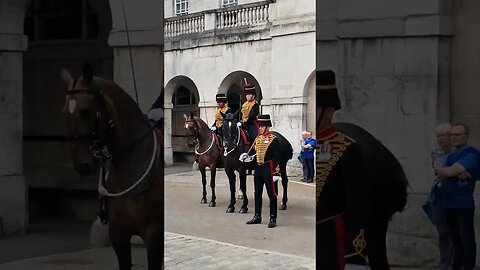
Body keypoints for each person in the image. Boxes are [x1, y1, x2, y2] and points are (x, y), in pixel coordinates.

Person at [316, 70, 371, 269]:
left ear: (329, 111)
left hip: (332, 241)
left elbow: (358, 206)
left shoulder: (347, 148)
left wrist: (354, 256)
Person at [436, 123, 480, 270]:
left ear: (466, 136)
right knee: (454, 240)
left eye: (457, 135)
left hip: (463, 204)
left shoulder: (470, 154)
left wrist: (446, 171)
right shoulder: (451, 155)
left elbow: (447, 172)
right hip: (448, 203)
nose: (453, 137)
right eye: (452, 135)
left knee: (466, 239)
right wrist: (445, 171)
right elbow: (440, 173)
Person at [240, 114, 281, 228]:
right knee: (257, 193)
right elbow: (255, 154)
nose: (260, 128)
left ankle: (273, 217)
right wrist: (248, 159)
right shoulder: (257, 139)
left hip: (269, 168)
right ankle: (257, 216)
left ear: (267, 127)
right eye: (260, 126)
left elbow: (277, 157)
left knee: (271, 194)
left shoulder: (274, 140)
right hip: (258, 169)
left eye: (262, 126)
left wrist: (276, 173)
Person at [423, 123, 454, 270]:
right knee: (442, 231)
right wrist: (450, 172)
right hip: (439, 193)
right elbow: (439, 172)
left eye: (444, 135)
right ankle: (444, 261)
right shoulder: (436, 153)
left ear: (451, 136)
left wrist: (448, 172)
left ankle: (453, 261)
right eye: (438, 136)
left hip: (453, 195)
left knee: (454, 230)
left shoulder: (458, 152)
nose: (440, 139)